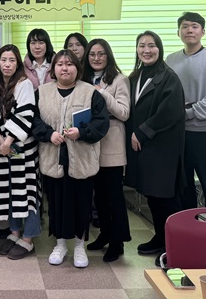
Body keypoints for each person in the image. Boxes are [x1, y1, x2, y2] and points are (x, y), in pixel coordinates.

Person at [32, 49, 109, 268]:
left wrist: (81, 132)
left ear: (77, 67)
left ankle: (79, 246)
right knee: (56, 204)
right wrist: (49, 134)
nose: (64, 68)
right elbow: (34, 120)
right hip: (53, 158)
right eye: (60, 64)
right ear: (53, 69)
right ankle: (60, 244)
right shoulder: (42, 92)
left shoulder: (90, 92)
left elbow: (101, 122)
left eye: (69, 64)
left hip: (82, 160)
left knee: (81, 204)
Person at [125, 31, 185, 263]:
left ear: (159, 49)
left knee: (165, 197)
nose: (146, 50)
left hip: (162, 146)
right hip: (143, 148)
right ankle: (161, 237)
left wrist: (142, 131)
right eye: (142, 46)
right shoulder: (135, 76)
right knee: (152, 195)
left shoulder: (169, 77)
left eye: (151, 46)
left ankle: (175, 244)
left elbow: (170, 111)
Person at [166, 12, 206, 210]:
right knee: (183, 183)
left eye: (194, 26)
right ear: (178, 32)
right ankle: (189, 224)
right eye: (185, 26)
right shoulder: (170, 60)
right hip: (177, 132)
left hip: (203, 132)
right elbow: (165, 94)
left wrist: (188, 113)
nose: (189, 30)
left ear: (203, 32)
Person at [0, 44, 41, 260]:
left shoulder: (24, 84)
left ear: (18, 63)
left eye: (12, 60)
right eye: (3, 60)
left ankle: (28, 239)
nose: (7, 64)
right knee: (8, 190)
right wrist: (0, 141)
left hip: (22, 147)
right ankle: (14, 233)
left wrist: (8, 140)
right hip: (0, 147)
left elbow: (25, 114)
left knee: (26, 192)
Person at [82, 38, 131, 262]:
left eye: (101, 54)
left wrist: (102, 92)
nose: (96, 58)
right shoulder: (83, 79)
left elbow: (123, 113)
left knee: (113, 196)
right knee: (99, 196)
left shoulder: (119, 80)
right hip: (90, 145)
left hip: (112, 143)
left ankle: (117, 241)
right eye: (92, 54)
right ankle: (104, 233)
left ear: (108, 55)